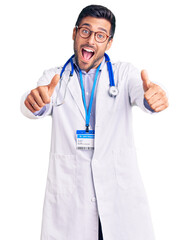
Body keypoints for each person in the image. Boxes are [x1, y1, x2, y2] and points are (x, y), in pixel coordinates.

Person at [20, 4, 168, 240]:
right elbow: (36, 103)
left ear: (109, 43)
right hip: (72, 205)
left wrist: (153, 98)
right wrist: (33, 102)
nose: (91, 40)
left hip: (119, 201)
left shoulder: (124, 74)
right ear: (74, 33)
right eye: (85, 31)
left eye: (100, 35)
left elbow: (142, 93)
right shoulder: (54, 77)